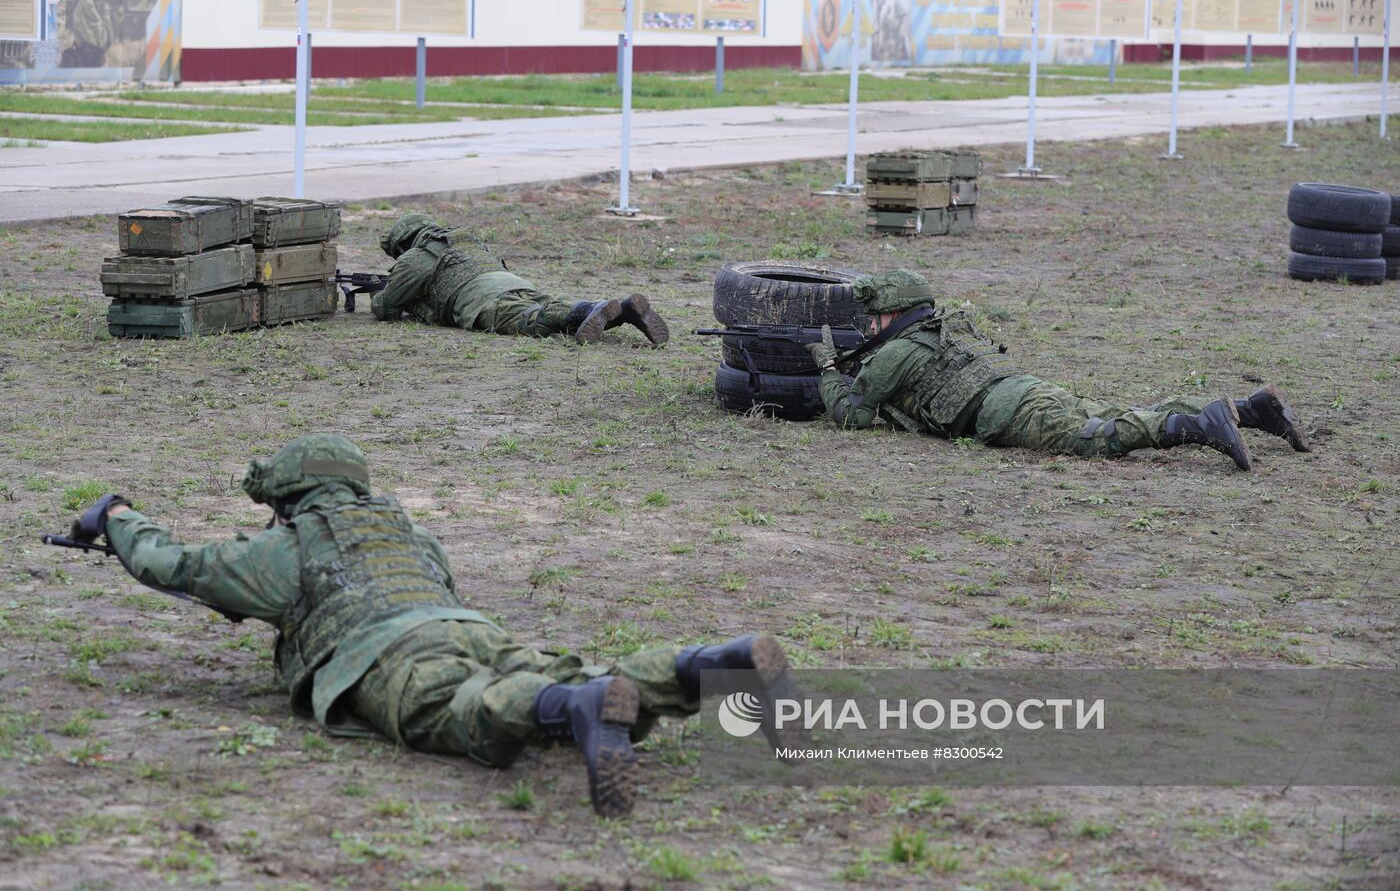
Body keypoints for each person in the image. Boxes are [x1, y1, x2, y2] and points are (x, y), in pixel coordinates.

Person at [64, 435, 795, 817]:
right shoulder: (407, 533)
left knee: (462, 707)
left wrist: (119, 517)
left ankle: (569, 710)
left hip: (387, 652)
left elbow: (177, 564)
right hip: (468, 623)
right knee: (559, 671)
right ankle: (710, 662)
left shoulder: (284, 548)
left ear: (286, 499)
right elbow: (437, 582)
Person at [805, 269, 1310, 471]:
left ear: (896, 312)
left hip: (1005, 413)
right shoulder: (942, 329)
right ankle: (1249, 410)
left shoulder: (895, 353)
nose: (872, 324)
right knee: (1116, 414)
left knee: (1098, 437)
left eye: (878, 316)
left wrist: (827, 367)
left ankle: (1200, 424)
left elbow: (853, 416)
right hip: (1024, 388)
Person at [372, 214, 669, 347]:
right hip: (511, 282)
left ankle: (594, 307)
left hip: (480, 300)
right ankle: (626, 309)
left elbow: (386, 307)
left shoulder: (417, 256)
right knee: (551, 306)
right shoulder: (464, 238)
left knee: (533, 320)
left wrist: (382, 291)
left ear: (402, 243)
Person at [63, 0, 114, 68]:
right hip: (86, 63)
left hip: (91, 62)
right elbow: (102, 41)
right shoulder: (85, 2)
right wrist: (106, 10)